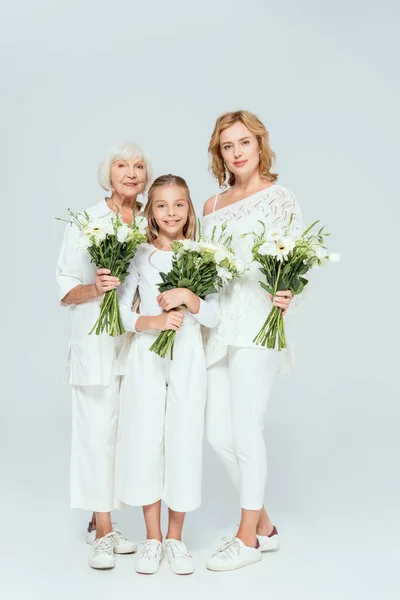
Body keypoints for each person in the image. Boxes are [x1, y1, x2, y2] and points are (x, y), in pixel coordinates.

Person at [202, 110, 305, 571]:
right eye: (228, 145)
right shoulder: (210, 205)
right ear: (219, 153)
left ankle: (246, 539)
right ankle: (264, 524)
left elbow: (295, 260)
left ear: (260, 145)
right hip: (218, 322)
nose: (237, 152)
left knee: (247, 427)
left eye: (244, 142)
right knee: (218, 433)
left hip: (258, 319)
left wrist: (290, 294)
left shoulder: (280, 198)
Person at [56, 141, 153, 569]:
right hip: (96, 343)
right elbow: (64, 289)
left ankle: (104, 523)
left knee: (128, 435)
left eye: (138, 166)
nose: (131, 173)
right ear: (107, 173)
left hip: (140, 346)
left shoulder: (156, 219)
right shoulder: (85, 222)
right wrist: (97, 289)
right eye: (121, 165)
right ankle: (104, 527)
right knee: (95, 433)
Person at [117, 174, 219, 575]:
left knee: (183, 437)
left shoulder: (202, 254)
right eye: (162, 205)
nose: (171, 213)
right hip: (148, 353)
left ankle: (175, 537)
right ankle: (152, 538)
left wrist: (190, 298)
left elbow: (214, 314)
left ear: (188, 208)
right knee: (145, 436)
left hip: (188, 353)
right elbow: (122, 310)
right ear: (151, 210)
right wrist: (153, 320)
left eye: (179, 205)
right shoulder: (140, 253)